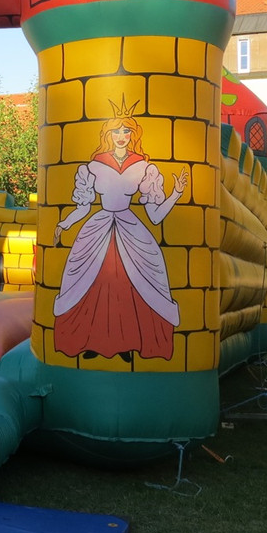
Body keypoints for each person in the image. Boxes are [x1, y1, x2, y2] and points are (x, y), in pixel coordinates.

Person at [52, 100, 186, 361]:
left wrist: (176, 194)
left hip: (130, 230)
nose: (122, 136)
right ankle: (92, 341)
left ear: (133, 135)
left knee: (131, 285)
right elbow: (83, 206)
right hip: (98, 230)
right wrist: (64, 224)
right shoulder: (93, 166)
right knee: (93, 283)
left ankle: (127, 343)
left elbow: (155, 216)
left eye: (126, 131)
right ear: (108, 135)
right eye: (116, 131)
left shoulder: (143, 167)